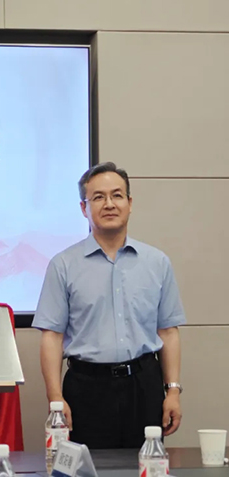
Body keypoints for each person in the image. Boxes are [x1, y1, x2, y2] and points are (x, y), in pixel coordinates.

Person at [33, 162, 185, 449]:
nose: (109, 204)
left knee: (147, 464)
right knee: (87, 466)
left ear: (130, 203)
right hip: (86, 387)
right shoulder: (63, 265)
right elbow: (52, 336)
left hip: (144, 385)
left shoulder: (157, 262)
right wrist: (55, 398)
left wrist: (173, 391)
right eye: (98, 197)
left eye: (117, 195)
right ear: (84, 208)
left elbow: (168, 331)